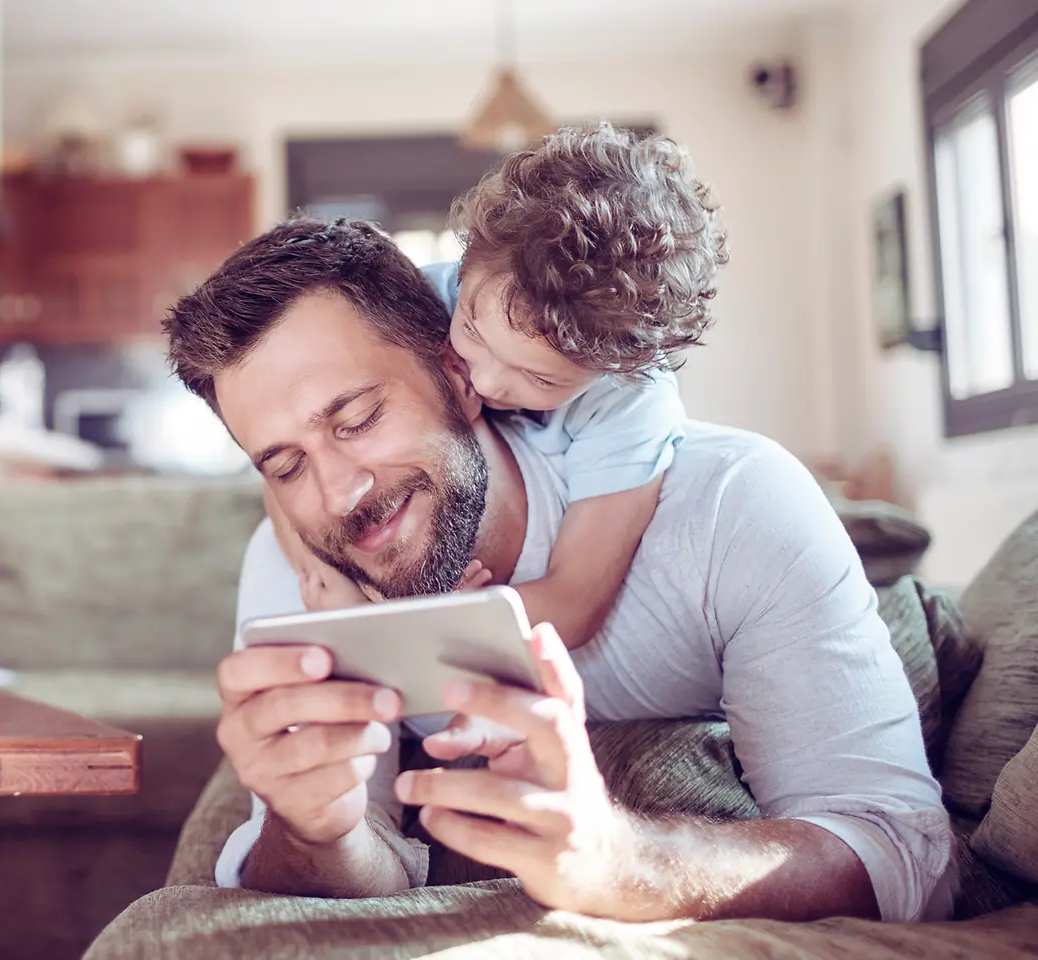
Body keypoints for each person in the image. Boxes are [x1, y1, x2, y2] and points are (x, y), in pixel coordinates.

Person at [164, 217, 952, 924]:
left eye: (359, 418)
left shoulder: (729, 504)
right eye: (286, 464)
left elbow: (904, 853)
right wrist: (316, 830)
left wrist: (623, 861)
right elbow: (358, 865)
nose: (341, 492)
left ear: (460, 376)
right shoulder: (293, 567)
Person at [269, 124, 721, 658]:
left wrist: (430, 621)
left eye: (540, 379)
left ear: (612, 370)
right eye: (473, 333)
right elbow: (284, 446)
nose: (483, 381)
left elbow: (573, 603)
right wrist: (333, 584)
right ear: (465, 269)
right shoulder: (414, 305)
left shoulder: (629, 400)